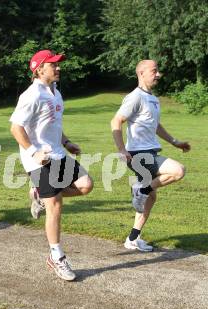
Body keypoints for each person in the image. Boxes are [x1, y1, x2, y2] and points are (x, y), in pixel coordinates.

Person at [10, 50, 94, 281]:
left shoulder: (56, 92)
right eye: (53, 64)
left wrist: (66, 142)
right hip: (37, 159)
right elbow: (16, 128)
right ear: (39, 69)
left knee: (86, 185)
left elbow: (53, 124)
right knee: (55, 204)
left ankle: (39, 195)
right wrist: (33, 152)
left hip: (57, 154)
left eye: (58, 64)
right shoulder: (32, 95)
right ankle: (56, 257)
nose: (58, 68)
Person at [111, 59, 191, 252]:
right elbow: (116, 121)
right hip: (138, 155)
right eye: (154, 71)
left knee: (150, 199)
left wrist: (174, 142)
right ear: (141, 73)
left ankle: (132, 238)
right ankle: (141, 189)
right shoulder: (135, 97)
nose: (158, 74)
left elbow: (155, 125)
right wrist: (122, 150)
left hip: (149, 152)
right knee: (178, 170)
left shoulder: (152, 98)